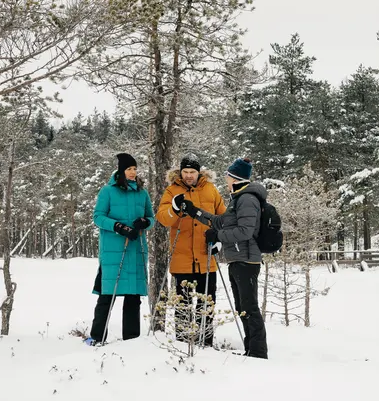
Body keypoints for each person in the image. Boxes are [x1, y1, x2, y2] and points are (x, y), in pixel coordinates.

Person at [179, 157, 269, 358]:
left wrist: (218, 236)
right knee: (242, 306)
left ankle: (258, 352)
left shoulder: (247, 199)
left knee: (249, 307)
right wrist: (194, 212)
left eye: (228, 175)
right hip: (238, 258)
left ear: (234, 177)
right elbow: (220, 221)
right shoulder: (238, 198)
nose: (225, 178)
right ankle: (251, 349)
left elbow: (245, 231)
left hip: (247, 260)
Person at [156, 154, 227, 346]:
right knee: (183, 304)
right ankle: (183, 342)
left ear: (198, 172)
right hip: (182, 258)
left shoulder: (211, 190)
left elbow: (223, 218)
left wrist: (219, 239)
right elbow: (163, 218)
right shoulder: (172, 191)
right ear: (180, 172)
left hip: (207, 256)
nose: (188, 175)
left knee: (207, 303)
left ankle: (206, 342)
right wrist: (175, 208)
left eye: (192, 172)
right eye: (185, 172)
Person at [86, 152, 154, 345]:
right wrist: (119, 227)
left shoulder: (142, 192)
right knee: (107, 295)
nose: (133, 172)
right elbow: (98, 216)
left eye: (134, 168)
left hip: (136, 250)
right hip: (113, 250)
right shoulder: (108, 191)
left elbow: (151, 217)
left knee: (133, 298)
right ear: (121, 171)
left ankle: (131, 341)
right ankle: (97, 337)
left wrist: (144, 222)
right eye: (129, 169)